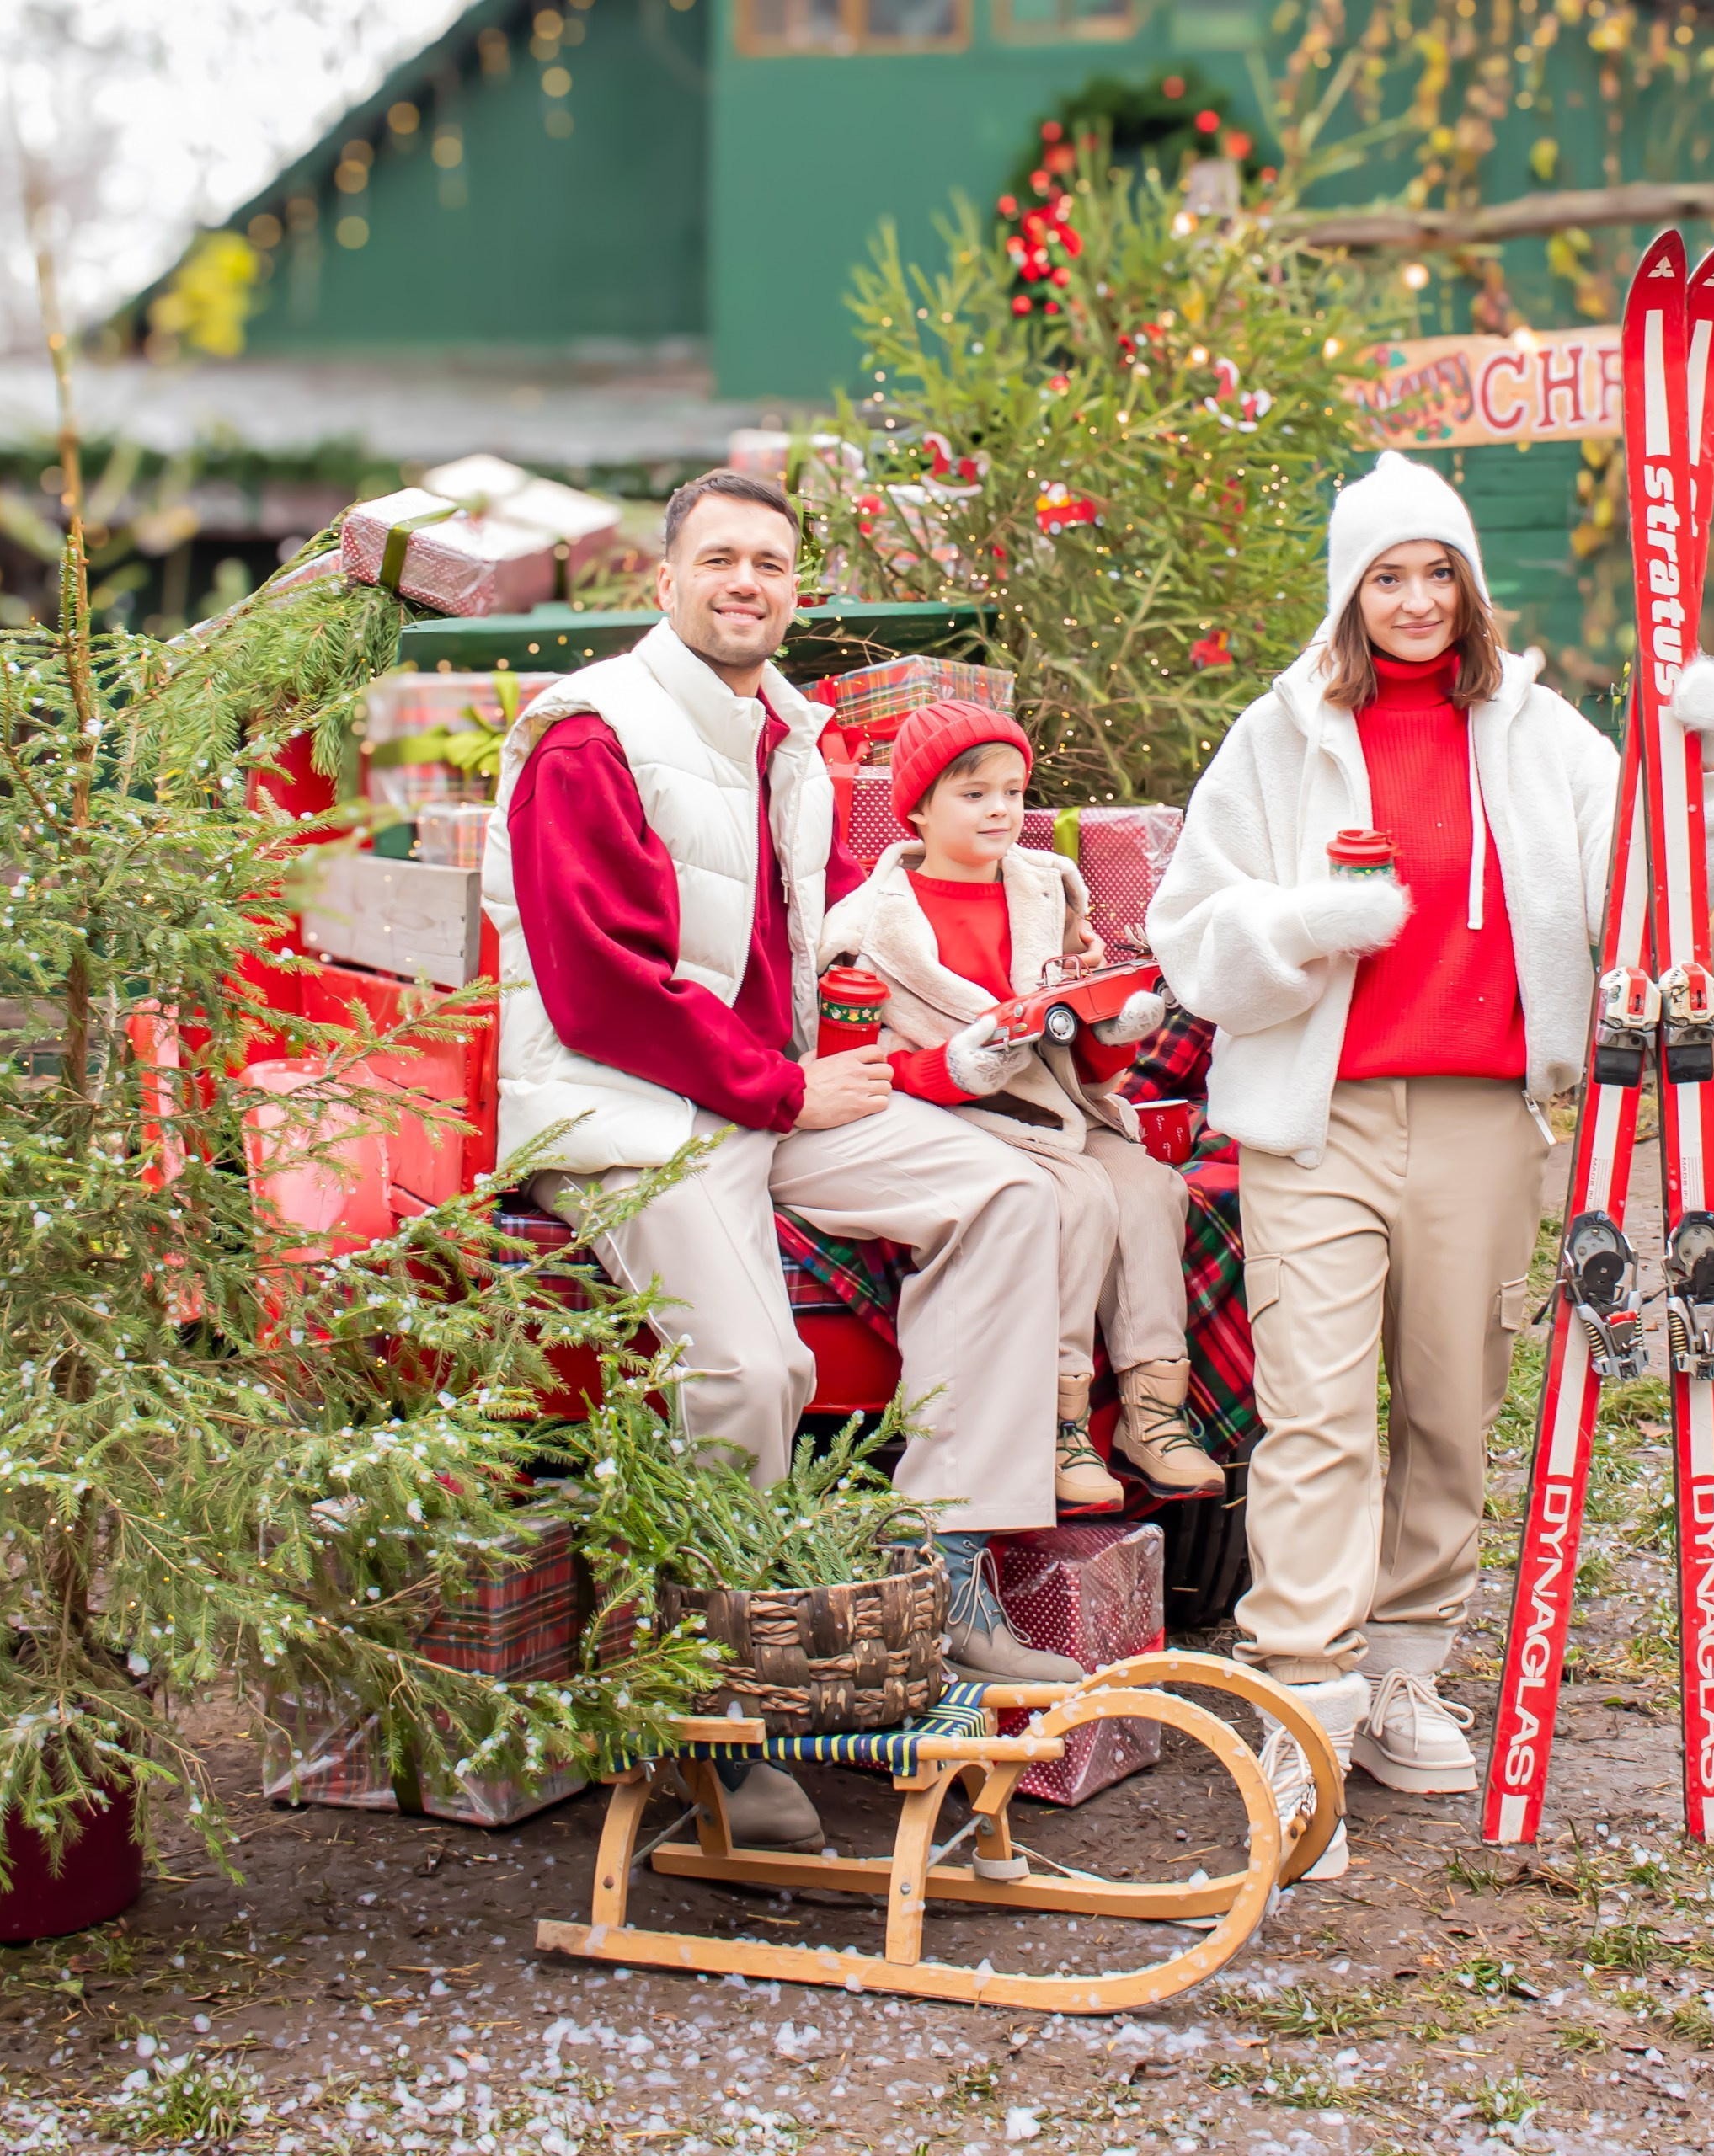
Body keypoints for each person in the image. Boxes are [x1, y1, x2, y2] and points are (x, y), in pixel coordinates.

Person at [1147, 451, 1714, 1875]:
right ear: (1349, 595)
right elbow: (1192, 933)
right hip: (1319, 1123)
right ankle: (1304, 1706)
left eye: (1438, 573)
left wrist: (1704, 772)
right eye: (1387, 577)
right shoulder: (1279, 736)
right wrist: (1308, 922)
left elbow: (1646, 906)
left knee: (1450, 1408)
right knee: (1314, 1417)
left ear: (1471, 587)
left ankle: (1406, 1669)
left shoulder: (1538, 737)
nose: (1416, 600)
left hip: (1484, 1116)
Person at [479, 471, 1081, 1853]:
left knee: (1007, 1197)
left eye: (769, 562)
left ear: (794, 593)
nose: (745, 582)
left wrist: (844, 1060)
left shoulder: (787, 737)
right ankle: (712, 1714)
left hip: (765, 1098)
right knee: (753, 1373)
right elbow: (600, 986)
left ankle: (946, 1570)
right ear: (665, 582)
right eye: (719, 559)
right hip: (629, 1108)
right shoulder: (591, 736)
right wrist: (784, 1088)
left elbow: (780, 949)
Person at [820, 698, 1225, 1524]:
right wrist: (952, 1066)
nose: (1000, 810)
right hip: (957, 1118)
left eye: (1013, 791)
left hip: (1060, 1108)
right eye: (973, 794)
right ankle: (1059, 1420)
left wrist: (1110, 1028)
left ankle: (1153, 1407)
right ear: (918, 807)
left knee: (1149, 1188)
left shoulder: (1048, 888)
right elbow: (860, 1061)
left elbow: (1080, 1051)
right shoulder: (870, 925)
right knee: (1076, 1199)